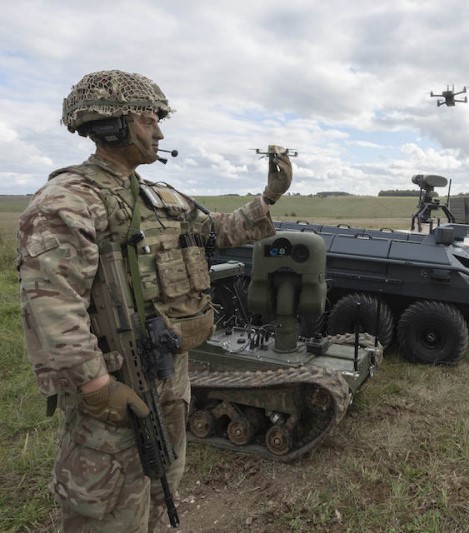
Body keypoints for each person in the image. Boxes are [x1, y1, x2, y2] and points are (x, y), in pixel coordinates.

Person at [16, 69, 292, 532]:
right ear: (111, 126)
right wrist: (96, 387)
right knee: (105, 507)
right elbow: (52, 307)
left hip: (167, 375)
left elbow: (217, 231)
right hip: (114, 381)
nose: (159, 131)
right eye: (148, 120)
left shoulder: (159, 197)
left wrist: (269, 197)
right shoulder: (66, 202)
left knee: (163, 482)